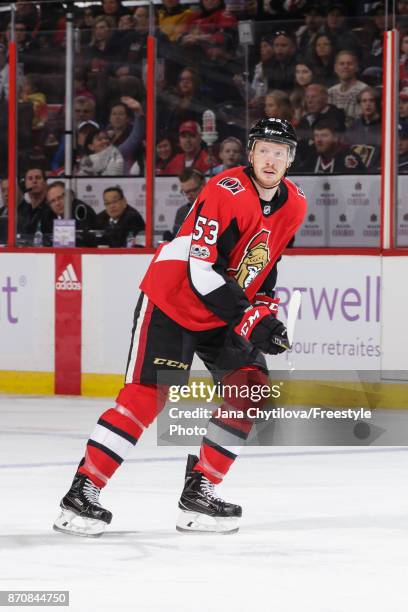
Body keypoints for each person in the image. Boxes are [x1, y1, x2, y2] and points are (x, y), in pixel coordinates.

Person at [53, 117, 307, 537]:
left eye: (280, 153)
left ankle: (199, 495)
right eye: (263, 149)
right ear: (250, 153)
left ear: (290, 161)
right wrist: (249, 317)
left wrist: (265, 311)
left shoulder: (294, 203)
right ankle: (81, 494)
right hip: (175, 297)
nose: (271, 158)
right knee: (146, 396)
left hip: (223, 306)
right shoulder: (224, 190)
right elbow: (202, 269)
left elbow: (266, 261)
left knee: (250, 389)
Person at [296, 120, 366, 174]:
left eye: (324, 135)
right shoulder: (312, 158)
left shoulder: (348, 159)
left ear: (336, 138)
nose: (319, 140)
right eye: (316, 136)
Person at [328, 51, 368, 128]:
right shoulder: (330, 92)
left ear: (356, 67)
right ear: (335, 68)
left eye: (349, 63)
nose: (345, 66)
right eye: (342, 64)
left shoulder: (364, 91)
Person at [165, 167, 206, 239]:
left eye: (192, 190)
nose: (188, 196)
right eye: (185, 192)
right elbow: (177, 240)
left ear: (203, 185)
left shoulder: (216, 209)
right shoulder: (182, 212)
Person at [17, 167, 48, 240]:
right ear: (25, 184)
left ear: (45, 182)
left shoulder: (51, 207)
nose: (34, 181)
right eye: (30, 178)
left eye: (38, 178)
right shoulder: (22, 210)